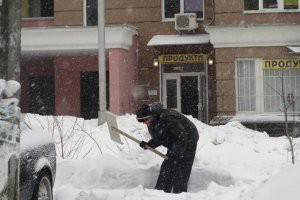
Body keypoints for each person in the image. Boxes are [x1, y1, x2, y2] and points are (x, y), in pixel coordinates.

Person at [136, 102, 199, 193]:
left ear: (151, 115)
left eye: (145, 120)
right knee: (167, 166)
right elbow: (160, 136)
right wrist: (149, 145)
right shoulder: (153, 122)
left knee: (182, 168)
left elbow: (181, 137)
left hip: (189, 139)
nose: (144, 123)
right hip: (175, 141)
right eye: (142, 122)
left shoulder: (167, 118)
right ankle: (161, 192)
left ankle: (180, 193)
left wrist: (176, 154)